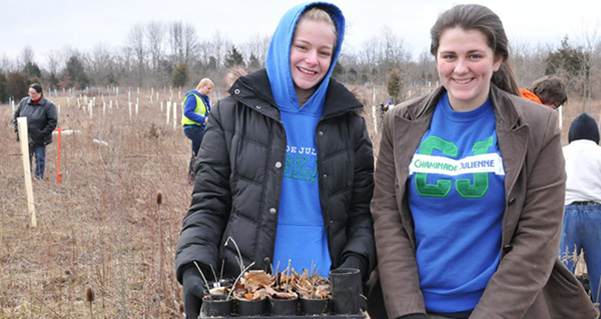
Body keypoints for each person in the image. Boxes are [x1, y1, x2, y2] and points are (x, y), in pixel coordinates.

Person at [369, 4, 596, 319]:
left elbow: (538, 236)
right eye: (450, 56)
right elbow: (388, 219)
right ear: (436, 58)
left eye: (474, 55)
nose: (460, 68)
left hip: (503, 310)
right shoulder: (400, 122)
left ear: (497, 59)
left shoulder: (536, 125)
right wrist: (408, 312)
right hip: (416, 310)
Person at [175, 3, 376, 319]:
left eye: (324, 52)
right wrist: (193, 263)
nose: (312, 60)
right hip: (249, 295)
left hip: (323, 296)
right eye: (302, 47)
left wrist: (354, 263)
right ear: (283, 44)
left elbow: (362, 213)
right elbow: (209, 202)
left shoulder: (350, 124)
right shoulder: (231, 114)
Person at [559, 112, 601, 311]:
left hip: (567, 214)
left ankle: (563, 313)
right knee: (599, 275)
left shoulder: (561, 152)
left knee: (562, 273)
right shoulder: (599, 153)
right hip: (597, 214)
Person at [13, 83, 58, 180]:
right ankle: (27, 177)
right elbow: (16, 115)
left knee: (39, 158)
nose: (31, 95)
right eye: (29, 93)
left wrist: (43, 133)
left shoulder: (49, 106)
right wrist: (18, 130)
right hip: (25, 136)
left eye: (33, 93)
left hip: (40, 138)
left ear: (40, 93)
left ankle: (39, 177)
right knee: (26, 158)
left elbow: (53, 122)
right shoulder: (24, 102)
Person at [181, 78, 214, 184]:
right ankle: (207, 177)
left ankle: (192, 178)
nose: (210, 91)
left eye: (211, 89)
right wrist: (204, 119)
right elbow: (188, 112)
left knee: (196, 153)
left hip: (200, 128)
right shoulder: (193, 97)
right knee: (209, 148)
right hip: (191, 128)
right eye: (208, 88)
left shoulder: (205, 99)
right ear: (202, 86)